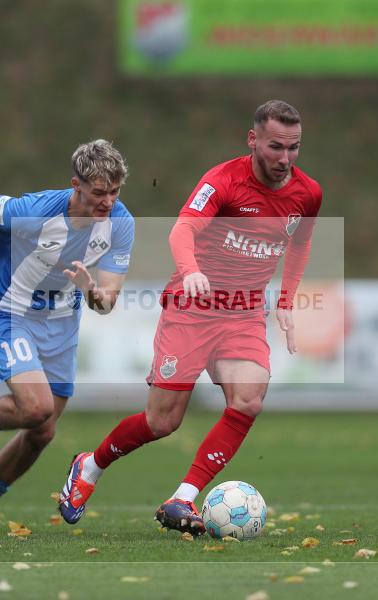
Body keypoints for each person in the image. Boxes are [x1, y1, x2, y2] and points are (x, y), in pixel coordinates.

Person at [57, 100, 322, 534]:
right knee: (162, 421)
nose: (285, 158)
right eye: (276, 147)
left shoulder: (307, 193)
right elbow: (182, 229)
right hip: (192, 308)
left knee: (249, 400)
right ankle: (90, 465)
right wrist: (192, 270)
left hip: (243, 313)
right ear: (253, 140)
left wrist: (287, 302)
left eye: (294, 147)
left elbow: (300, 244)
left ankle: (182, 497)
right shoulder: (223, 181)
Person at [0, 140, 135, 533]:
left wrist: (90, 290)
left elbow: (107, 302)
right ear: (76, 185)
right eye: (99, 192)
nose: (108, 202)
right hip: (11, 311)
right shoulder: (35, 211)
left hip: (62, 320)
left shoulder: (121, 223)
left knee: (42, 430)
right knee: (34, 408)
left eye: (115, 192)